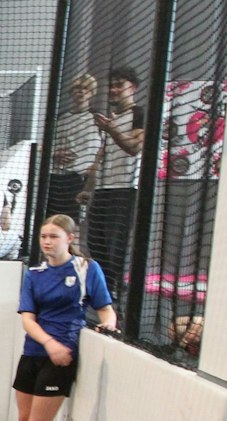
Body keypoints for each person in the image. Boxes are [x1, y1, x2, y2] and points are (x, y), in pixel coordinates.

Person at [0, 215, 116, 421]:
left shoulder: (85, 269)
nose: (47, 242)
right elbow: (28, 319)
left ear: (70, 238)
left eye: (54, 236)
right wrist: (47, 343)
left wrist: (108, 324)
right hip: (34, 352)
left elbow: (105, 308)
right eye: (44, 236)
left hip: (61, 358)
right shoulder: (35, 273)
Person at [81, 67, 145, 289]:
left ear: (133, 88)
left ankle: (113, 289)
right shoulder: (113, 119)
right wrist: (88, 188)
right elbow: (102, 155)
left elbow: (134, 147)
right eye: (112, 85)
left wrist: (112, 129)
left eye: (120, 85)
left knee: (114, 242)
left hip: (125, 187)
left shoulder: (139, 114)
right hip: (104, 188)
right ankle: (104, 287)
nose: (114, 90)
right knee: (95, 241)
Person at [47, 74, 101, 221]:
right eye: (77, 88)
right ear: (71, 92)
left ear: (91, 93)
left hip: (79, 179)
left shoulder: (97, 118)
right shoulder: (60, 118)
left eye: (86, 89)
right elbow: (47, 145)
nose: (81, 92)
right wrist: (53, 153)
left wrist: (93, 168)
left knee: (73, 223)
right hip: (56, 177)